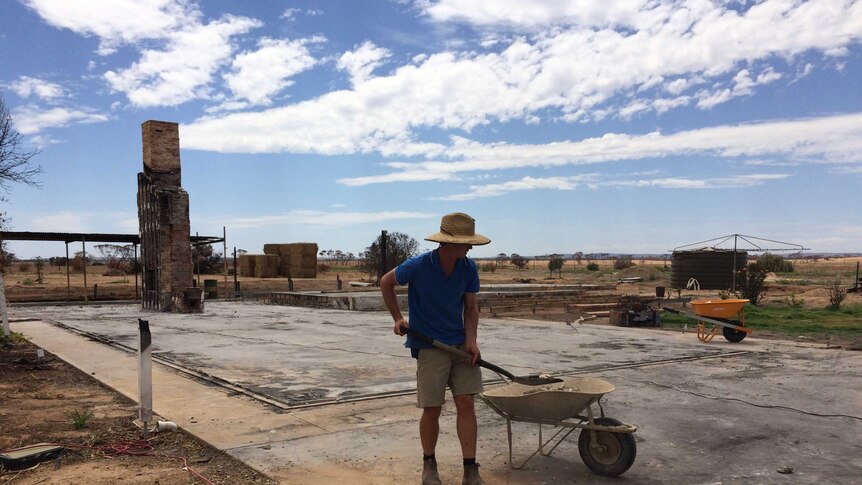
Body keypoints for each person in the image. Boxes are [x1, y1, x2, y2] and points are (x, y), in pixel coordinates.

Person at [380, 212, 491, 485]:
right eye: (466, 242)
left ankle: (470, 469)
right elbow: (386, 282)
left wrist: (471, 341)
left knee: (466, 403)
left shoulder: (468, 268)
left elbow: (471, 308)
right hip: (429, 345)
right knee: (432, 408)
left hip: (458, 344)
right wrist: (397, 318)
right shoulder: (418, 266)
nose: (470, 247)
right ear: (448, 243)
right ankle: (429, 465)